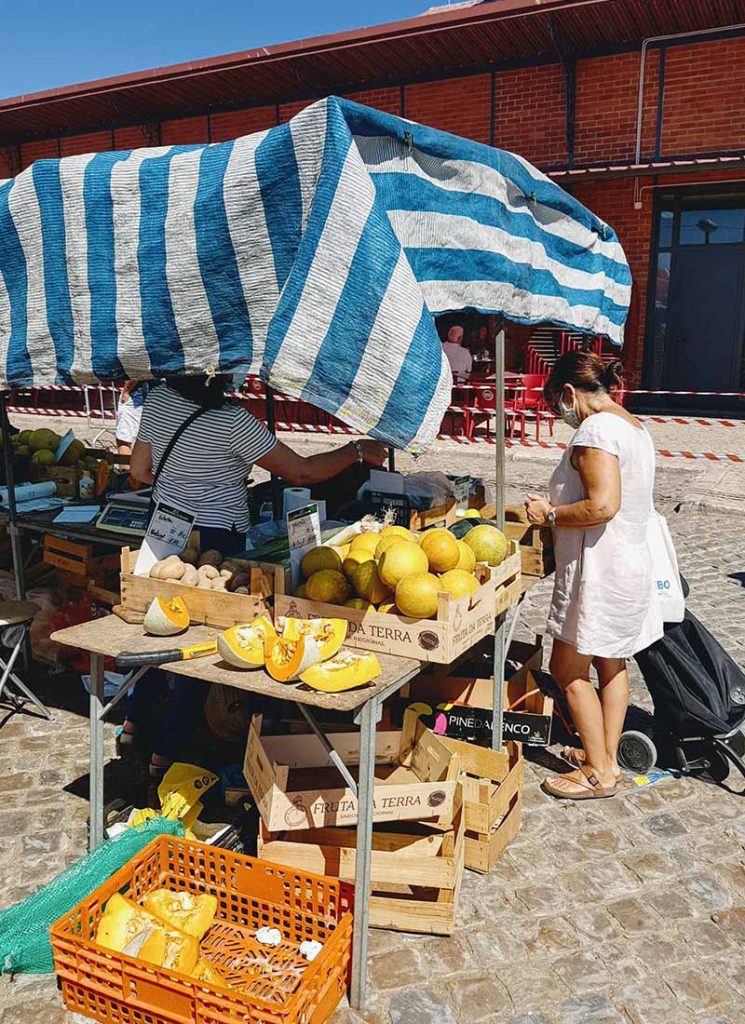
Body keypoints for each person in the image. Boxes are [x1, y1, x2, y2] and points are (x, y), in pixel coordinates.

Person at [125, 373, 387, 774]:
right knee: (203, 647)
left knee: (159, 625)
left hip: (164, 529)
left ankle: (133, 724)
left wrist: (184, 480)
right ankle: (166, 753)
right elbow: (300, 472)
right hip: (217, 542)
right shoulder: (234, 422)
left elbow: (139, 470)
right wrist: (356, 450)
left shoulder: (159, 398)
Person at [524, 352, 662, 801]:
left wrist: (550, 514)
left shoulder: (596, 429)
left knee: (565, 668)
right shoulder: (634, 427)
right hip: (627, 563)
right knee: (612, 661)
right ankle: (601, 758)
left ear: (568, 392)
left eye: (555, 406)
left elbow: (602, 505)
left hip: (598, 570)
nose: (559, 416)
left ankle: (600, 772)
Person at [115, 381, 150, 456]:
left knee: (124, 440)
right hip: (158, 397)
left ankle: (127, 467)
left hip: (136, 398)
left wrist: (126, 391)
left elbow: (136, 373)